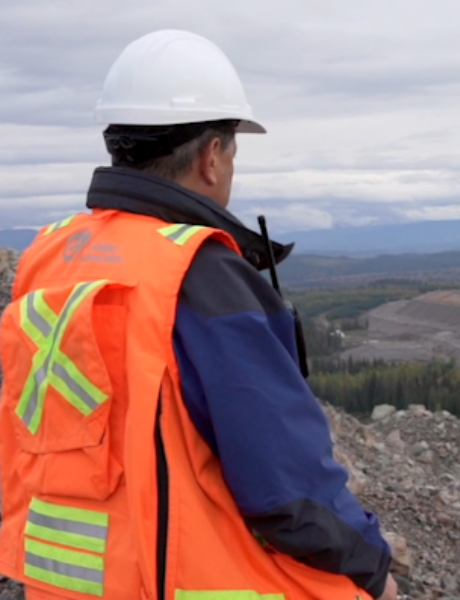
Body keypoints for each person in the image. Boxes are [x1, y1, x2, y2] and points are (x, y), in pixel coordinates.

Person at [0, 30, 397, 600]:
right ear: (212, 156)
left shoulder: (50, 254)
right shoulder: (197, 273)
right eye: (233, 150)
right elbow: (287, 492)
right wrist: (374, 571)